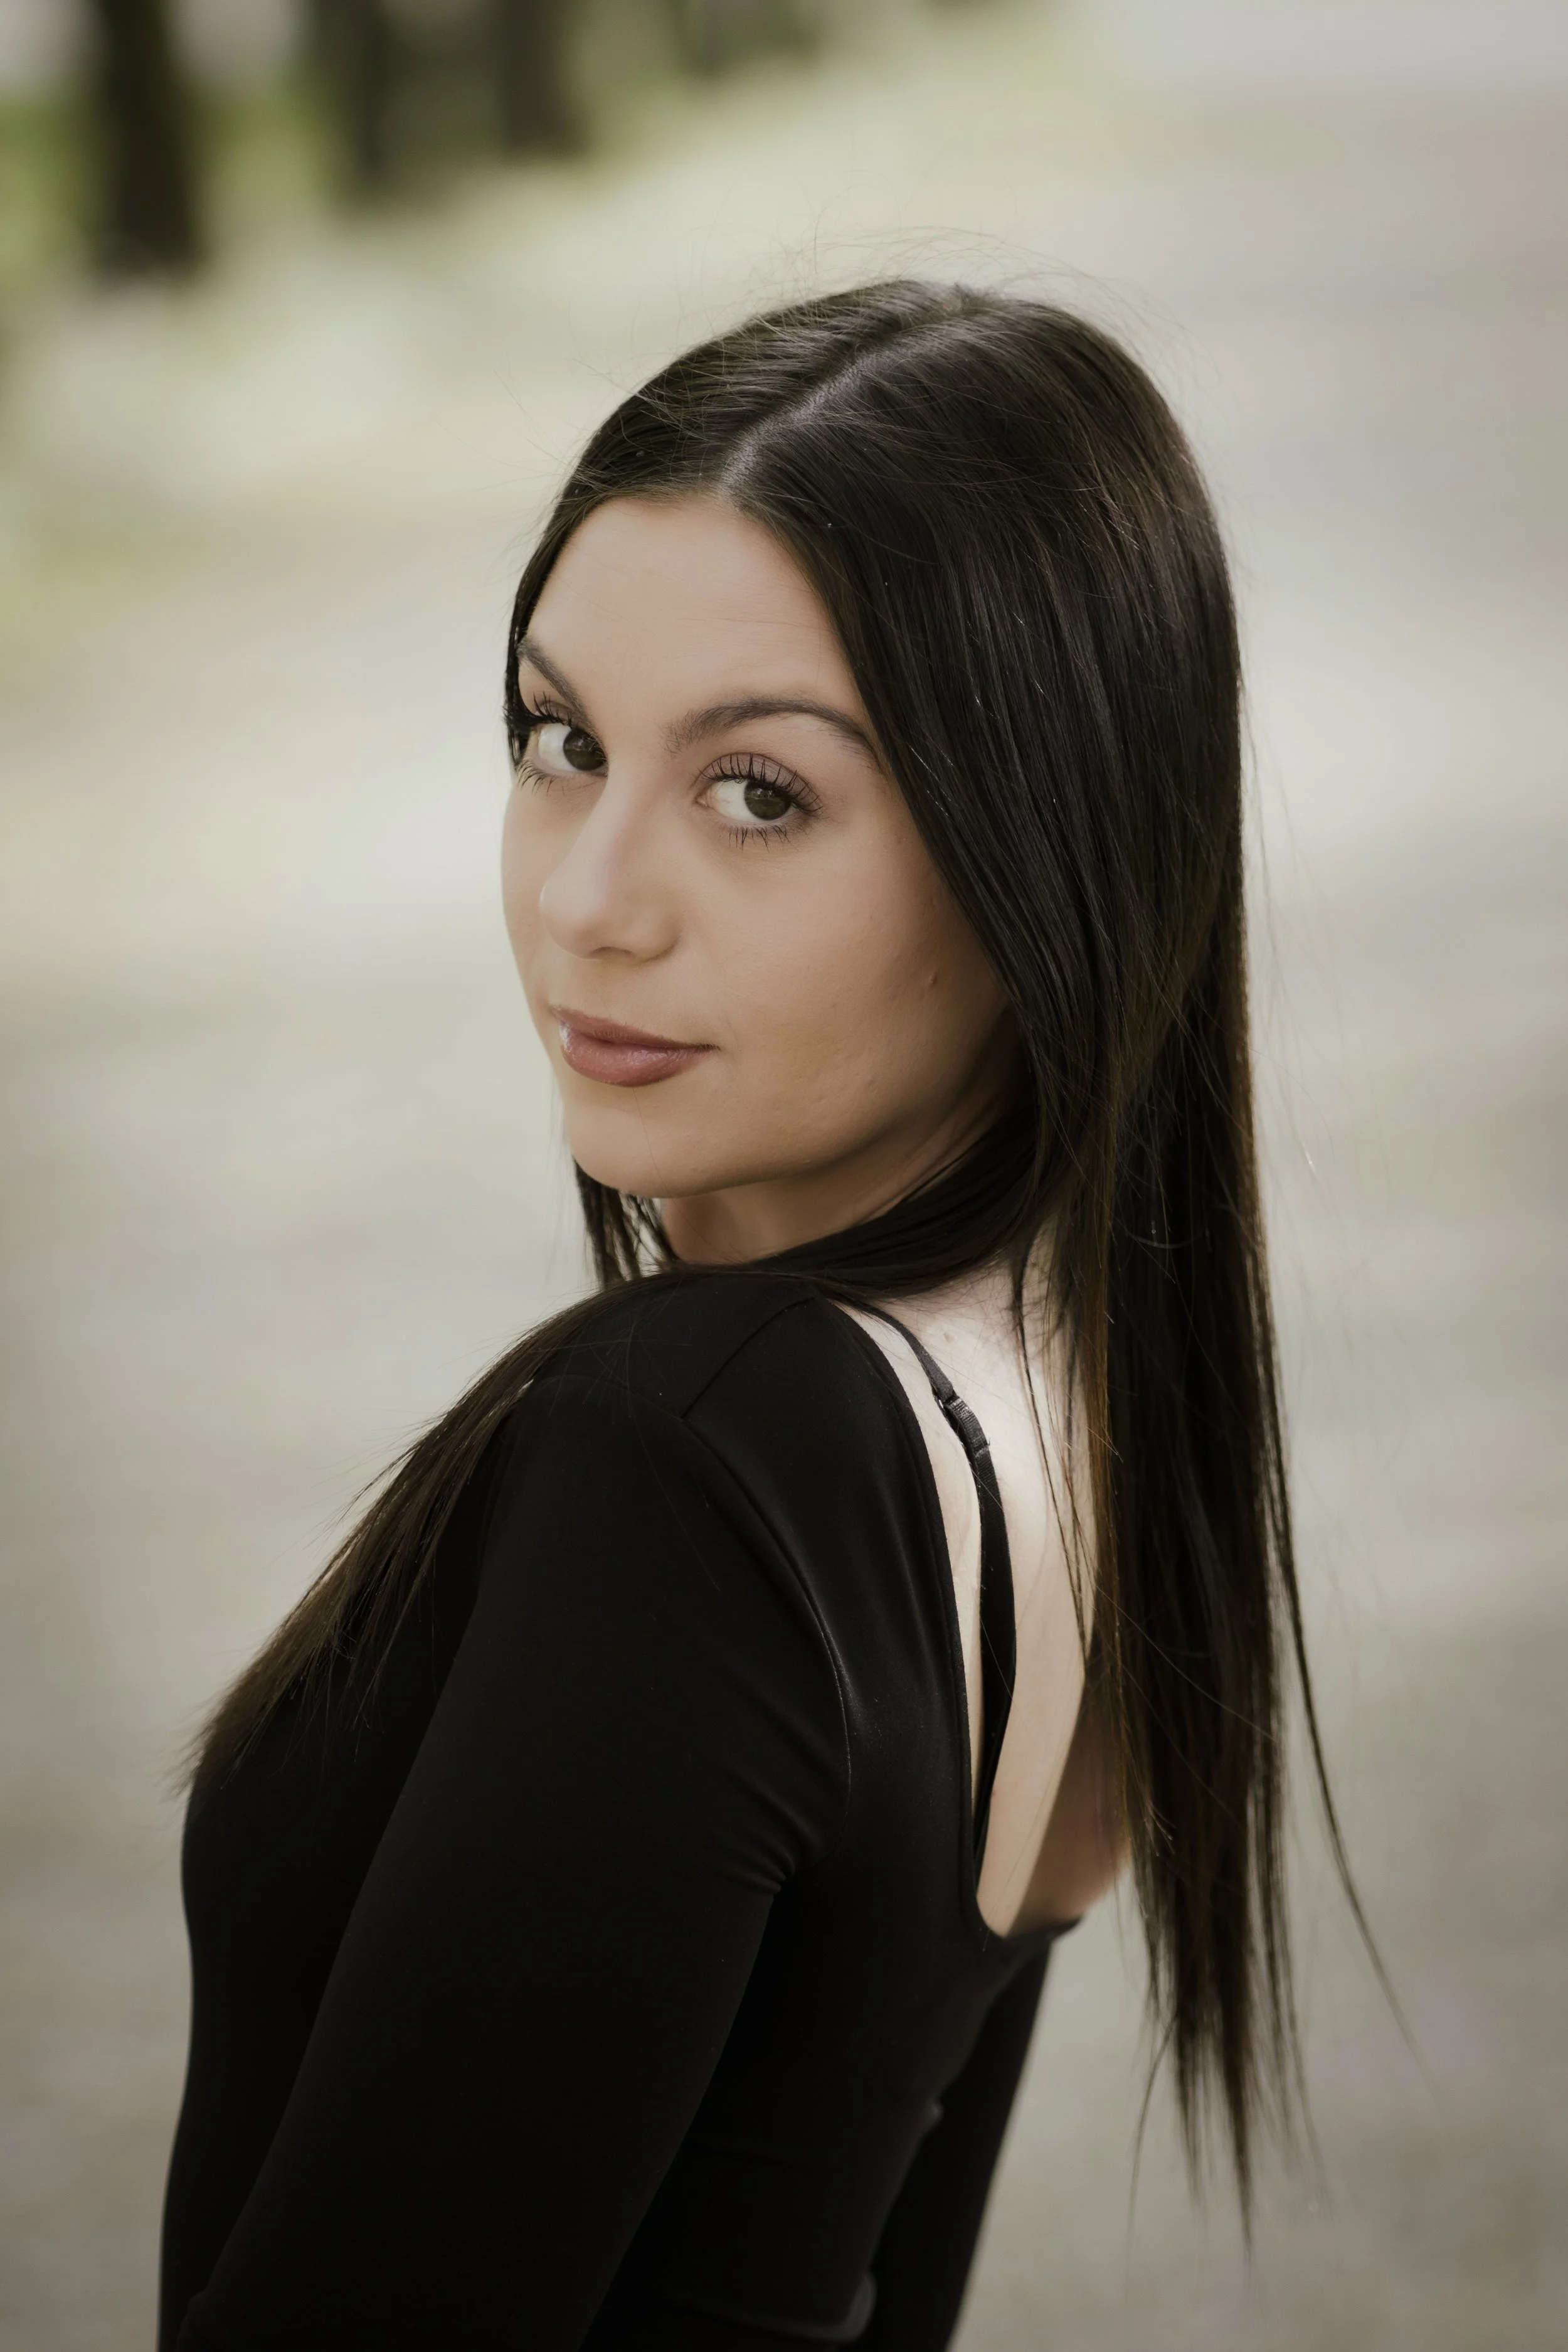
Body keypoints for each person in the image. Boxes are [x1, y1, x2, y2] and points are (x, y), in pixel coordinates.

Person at [159, 280, 1350, 2350]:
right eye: (563, 743)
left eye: (761, 795)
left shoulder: (699, 1449)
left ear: (1043, 852)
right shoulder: (1060, 1407)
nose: (586, 894)